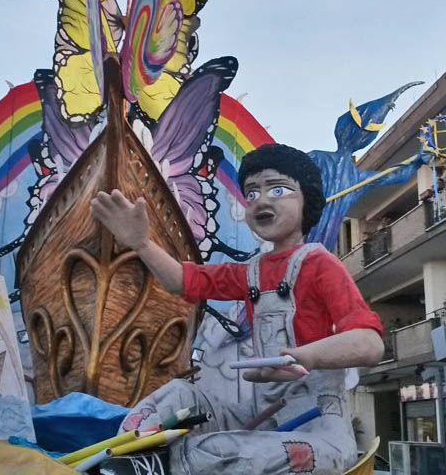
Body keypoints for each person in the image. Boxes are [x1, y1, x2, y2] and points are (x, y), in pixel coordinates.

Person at [91, 143, 385, 475]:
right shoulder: (250, 272)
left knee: (219, 452)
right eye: (252, 193)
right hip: (258, 417)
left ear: (308, 200)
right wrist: (141, 243)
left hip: (316, 428)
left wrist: (302, 357)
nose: (262, 200)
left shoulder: (320, 264)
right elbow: (180, 281)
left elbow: (370, 344)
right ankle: (132, 460)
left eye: (278, 189)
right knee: (173, 396)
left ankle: (156, 465)